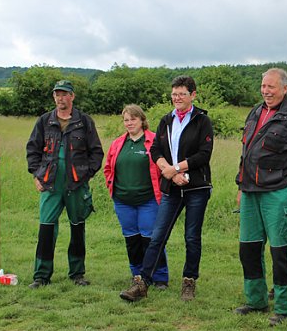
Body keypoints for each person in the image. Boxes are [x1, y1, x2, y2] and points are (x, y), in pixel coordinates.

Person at [120, 76, 214, 302]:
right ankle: (142, 284)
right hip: (171, 186)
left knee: (191, 237)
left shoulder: (202, 120)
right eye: (174, 94)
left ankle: (189, 282)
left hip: (196, 188)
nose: (177, 98)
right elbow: (155, 150)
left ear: (193, 95)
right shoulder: (166, 120)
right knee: (158, 235)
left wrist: (177, 169)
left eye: (182, 94)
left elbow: (204, 153)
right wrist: (167, 170)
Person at [235, 67, 287, 325]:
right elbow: (246, 153)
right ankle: (256, 300)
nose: (266, 91)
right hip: (250, 192)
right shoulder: (255, 112)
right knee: (248, 248)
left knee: (281, 251)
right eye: (263, 86)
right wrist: (241, 185)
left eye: (271, 87)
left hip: (277, 193)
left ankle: (284, 306)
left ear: (285, 88)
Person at [25, 79, 104, 289]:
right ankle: (41, 276)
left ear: (72, 96)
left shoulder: (84, 121)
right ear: (54, 97)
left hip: (76, 183)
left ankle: (77, 274)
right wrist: (37, 175)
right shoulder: (44, 121)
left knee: (77, 228)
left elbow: (96, 152)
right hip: (50, 183)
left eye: (64, 94)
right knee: (46, 228)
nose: (60, 98)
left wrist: (86, 175)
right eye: (57, 94)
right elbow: (33, 150)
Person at [103, 104, 169, 289]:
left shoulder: (154, 140)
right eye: (126, 120)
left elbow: (164, 167)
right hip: (123, 201)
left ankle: (160, 277)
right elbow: (108, 167)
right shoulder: (118, 143)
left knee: (151, 239)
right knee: (132, 240)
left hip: (148, 200)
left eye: (133, 119)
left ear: (142, 120)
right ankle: (137, 274)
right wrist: (113, 186)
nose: (129, 123)